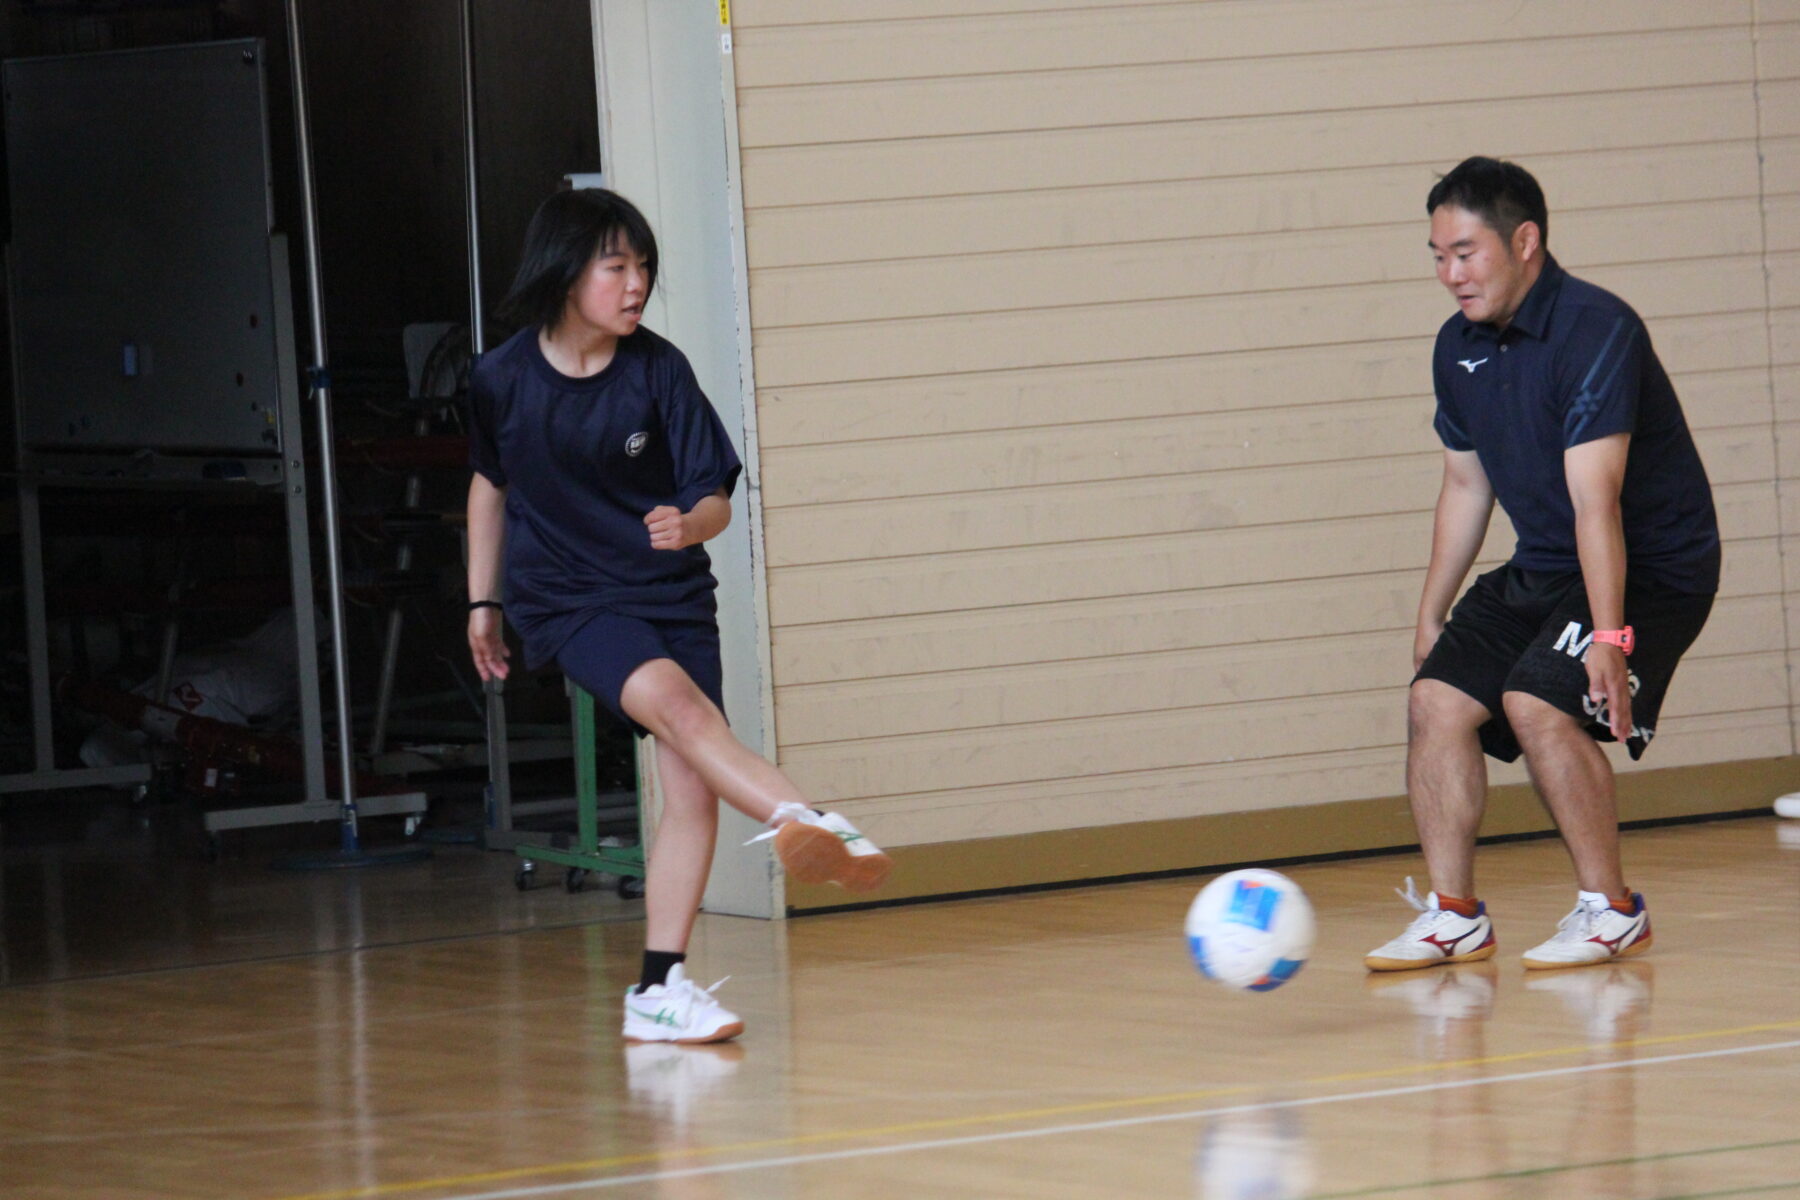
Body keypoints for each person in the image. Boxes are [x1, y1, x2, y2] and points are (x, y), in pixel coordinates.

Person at [466, 188, 892, 1043]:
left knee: (691, 790)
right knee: (684, 712)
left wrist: (686, 524)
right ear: (566, 273)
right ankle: (804, 818)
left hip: (670, 591)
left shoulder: (658, 370)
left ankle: (658, 992)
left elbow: (713, 497)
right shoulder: (501, 378)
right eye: (616, 267)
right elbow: (489, 484)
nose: (636, 285)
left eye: (644, 268)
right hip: (569, 598)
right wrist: (484, 600)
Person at [1365, 157, 1719, 973]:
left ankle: (1613, 908)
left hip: (1655, 568)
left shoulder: (1596, 329)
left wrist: (1610, 635)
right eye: (1437, 257)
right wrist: (1432, 608)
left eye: (1465, 253)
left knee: (1535, 701)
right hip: (1548, 562)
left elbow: (1597, 501)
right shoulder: (1457, 349)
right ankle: (1455, 915)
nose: (1450, 275)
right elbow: (1465, 481)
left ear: (1525, 241)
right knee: (1437, 702)